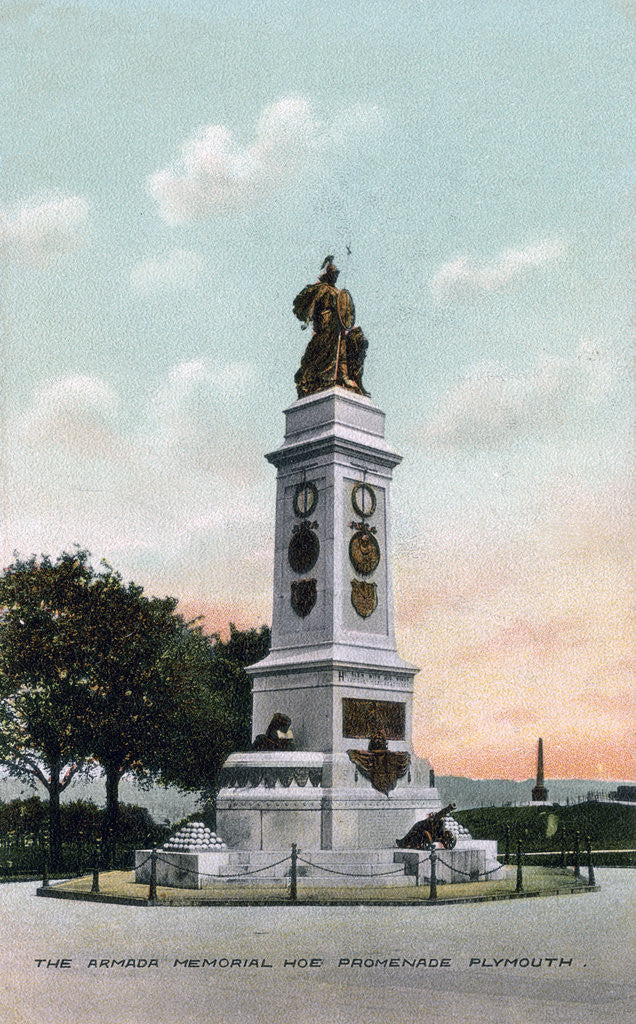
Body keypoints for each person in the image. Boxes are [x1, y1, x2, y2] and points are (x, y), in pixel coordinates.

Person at [293, 257, 369, 397]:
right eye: (333, 274)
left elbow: (345, 310)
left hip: (337, 325)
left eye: (337, 275)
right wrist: (307, 320)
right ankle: (326, 377)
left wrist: (345, 322)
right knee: (325, 348)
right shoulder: (321, 289)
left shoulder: (338, 292)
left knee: (349, 342)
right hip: (325, 323)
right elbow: (311, 306)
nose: (335, 277)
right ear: (328, 274)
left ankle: (343, 375)